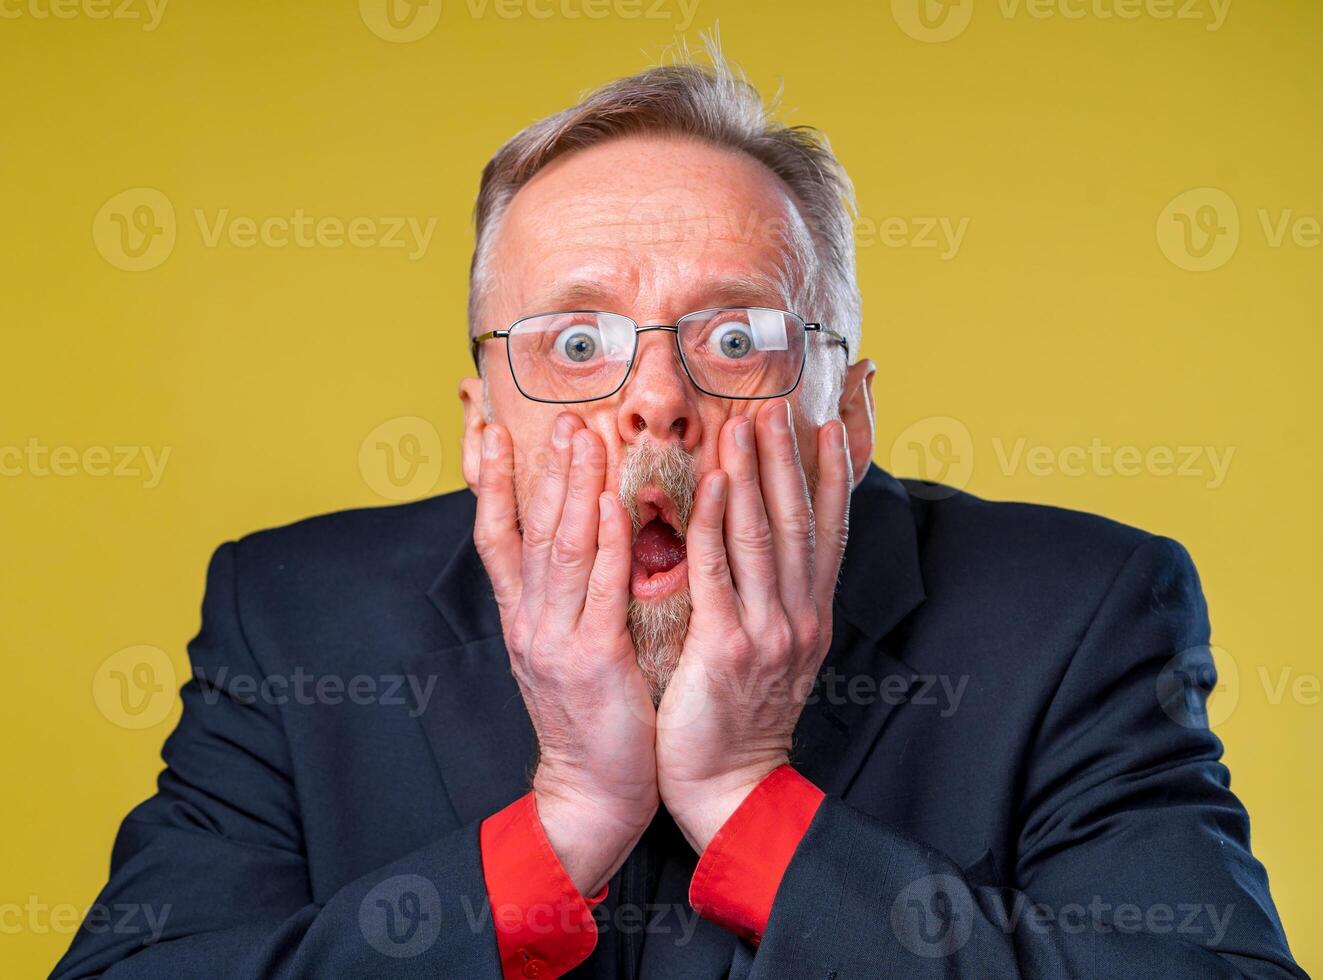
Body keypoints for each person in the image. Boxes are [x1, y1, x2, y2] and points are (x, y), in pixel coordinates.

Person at [54, 50, 1303, 980]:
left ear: (847, 416)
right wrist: (561, 828)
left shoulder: (1078, 612)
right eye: (578, 339)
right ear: (486, 424)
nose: (656, 398)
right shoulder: (294, 618)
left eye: (737, 335)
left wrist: (752, 799)